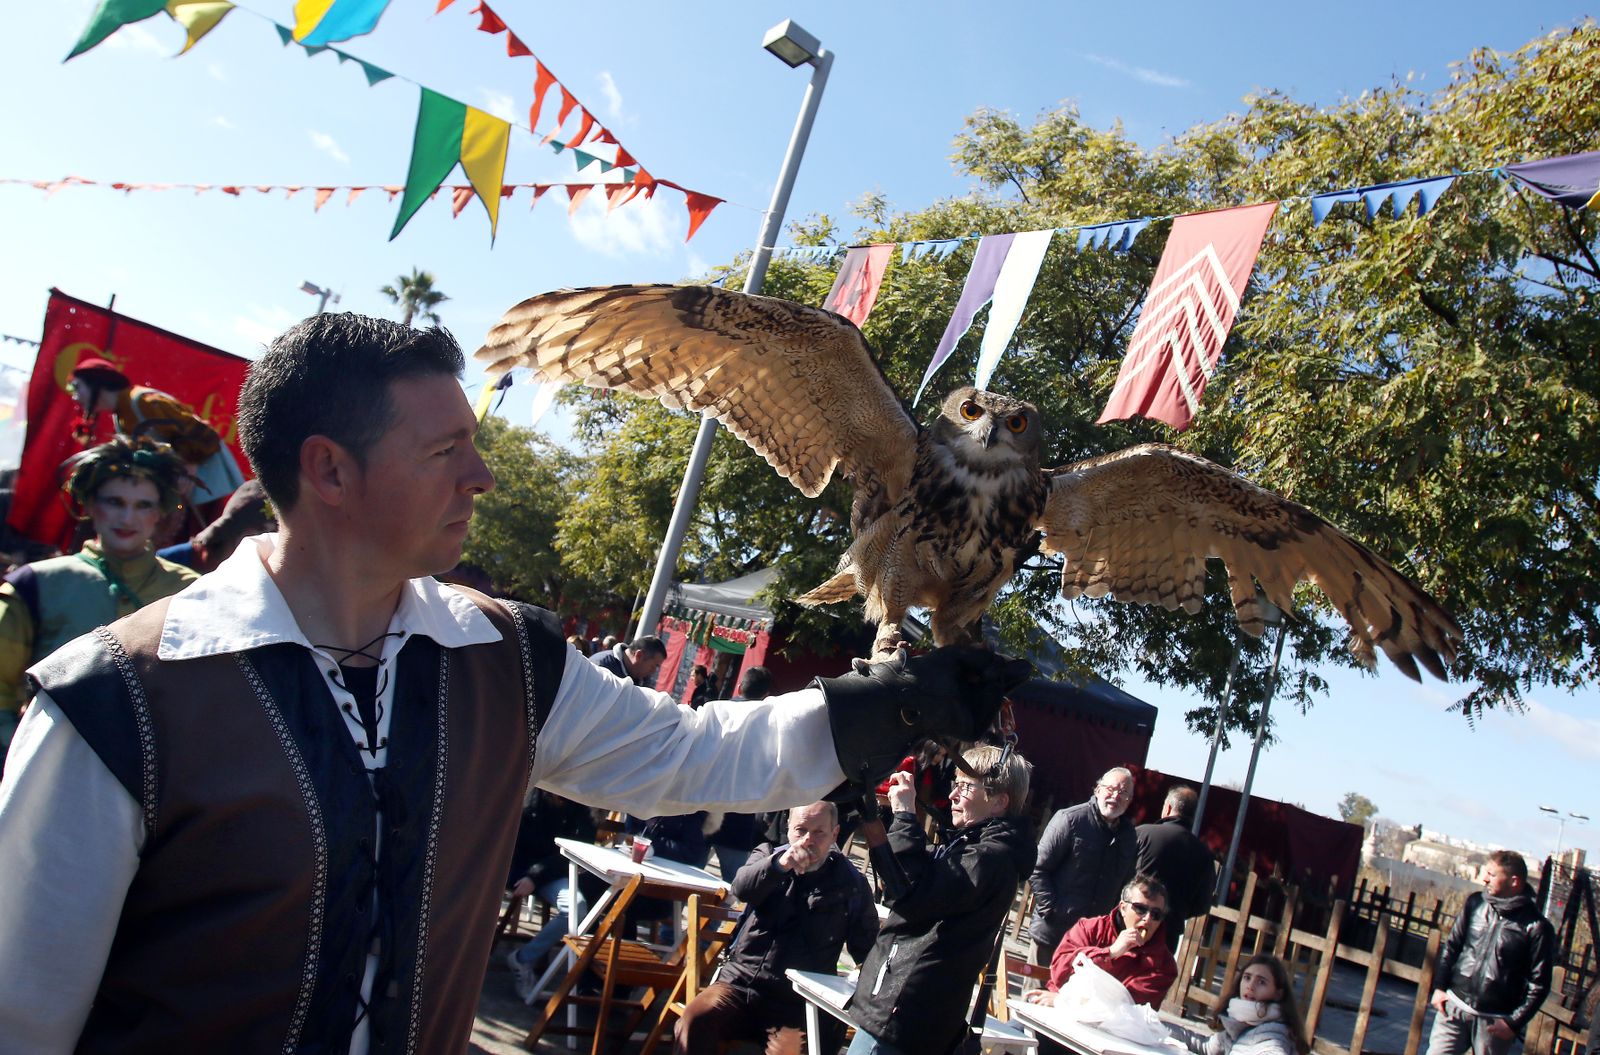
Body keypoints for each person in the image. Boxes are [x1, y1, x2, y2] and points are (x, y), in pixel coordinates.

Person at [0, 312, 1027, 1054]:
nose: (481, 477)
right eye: (448, 449)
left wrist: (892, 702)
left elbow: (694, 752)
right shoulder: (113, 697)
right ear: (330, 470)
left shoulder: (503, 656)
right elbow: (20, 1011)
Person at [0, 436, 196, 760]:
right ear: (91, 505)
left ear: (159, 512)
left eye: (142, 505)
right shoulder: (35, 583)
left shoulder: (192, 591)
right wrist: (14, 758)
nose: (127, 518)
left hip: (160, 774)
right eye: (115, 502)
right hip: (48, 762)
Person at [846, 743, 1036, 1055]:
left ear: (1000, 802)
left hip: (905, 1010)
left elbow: (913, 896)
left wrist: (906, 813)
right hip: (910, 1010)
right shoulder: (979, 849)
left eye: (965, 786)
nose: (953, 795)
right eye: (955, 784)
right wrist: (882, 817)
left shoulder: (988, 858)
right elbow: (902, 883)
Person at [674, 801, 877, 1055]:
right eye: (800, 830)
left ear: (835, 834)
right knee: (695, 1020)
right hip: (739, 983)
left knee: (794, 1050)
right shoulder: (768, 853)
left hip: (794, 1002)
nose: (807, 840)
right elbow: (741, 888)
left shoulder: (850, 882)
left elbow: (867, 948)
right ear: (789, 827)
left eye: (819, 832)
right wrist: (780, 864)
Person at [1426, 850, 1554, 1055]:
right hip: (1454, 1008)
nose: (1484, 878)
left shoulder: (1536, 927)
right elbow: (1452, 946)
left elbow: (1539, 984)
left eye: (1492, 875)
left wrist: (1513, 1023)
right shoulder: (1475, 904)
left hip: (1494, 1022)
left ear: (1514, 881)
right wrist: (1440, 987)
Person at [70, 356, 245, 505]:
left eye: (77, 387)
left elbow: (202, 434)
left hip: (209, 493)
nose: (74, 396)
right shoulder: (120, 414)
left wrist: (189, 465)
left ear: (96, 385)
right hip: (179, 495)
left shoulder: (143, 401)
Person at [1029, 766, 1139, 965]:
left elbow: (1126, 884)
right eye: (1110, 789)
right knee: (1037, 994)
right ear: (1097, 790)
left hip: (1092, 941)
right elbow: (1038, 869)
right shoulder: (1070, 819)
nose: (1115, 796)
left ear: (1129, 800)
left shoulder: (1129, 836)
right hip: (1054, 933)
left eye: (1123, 793)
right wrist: (1052, 910)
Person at [1024, 874, 1178, 1011]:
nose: (1147, 919)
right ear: (1123, 908)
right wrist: (1109, 953)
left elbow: (1127, 1010)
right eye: (1140, 909)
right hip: (1055, 1009)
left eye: (1156, 915)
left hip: (1106, 1031)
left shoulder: (1164, 965)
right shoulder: (1090, 928)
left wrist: (1066, 1002)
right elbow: (1060, 974)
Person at [503, 789, 599, 1003]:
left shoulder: (583, 803)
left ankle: (523, 959)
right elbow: (515, 841)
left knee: (578, 908)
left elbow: (580, 848)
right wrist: (529, 875)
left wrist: (537, 876)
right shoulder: (532, 796)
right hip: (518, 868)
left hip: (551, 873)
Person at [708, 666, 773, 882]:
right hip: (740, 812)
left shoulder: (715, 709)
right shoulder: (768, 724)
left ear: (739, 686)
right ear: (766, 695)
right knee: (731, 888)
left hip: (703, 804)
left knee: (682, 879)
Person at [1172, 954, 1309, 1055]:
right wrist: (1156, 1025)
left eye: (1261, 982)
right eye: (1247, 978)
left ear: (1278, 993)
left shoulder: (1273, 1036)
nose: (1250, 986)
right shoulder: (1241, 1024)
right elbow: (1205, 1046)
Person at [1136, 785, 1217, 951]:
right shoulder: (1204, 855)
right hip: (1167, 934)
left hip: (1130, 922)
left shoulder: (1142, 834)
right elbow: (1202, 904)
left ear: (1168, 808)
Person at [158, 479, 276, 573]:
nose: (266, 538)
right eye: (262, 530)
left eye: (274, 532)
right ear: (238, 526)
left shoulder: (260, 572)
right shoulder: (167, 561)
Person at [592, 633, 668, 685]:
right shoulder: (601, 667)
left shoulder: (642, 680)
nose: (653, 671)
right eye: (653, 666)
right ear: (639, 656)